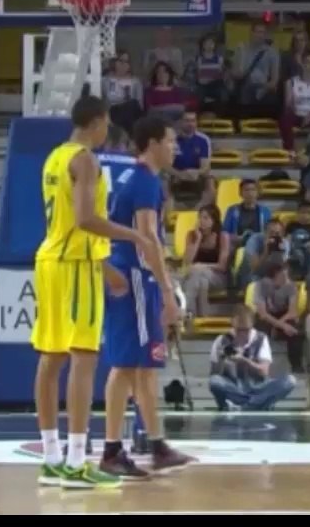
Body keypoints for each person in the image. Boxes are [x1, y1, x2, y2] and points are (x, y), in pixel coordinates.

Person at [32, 95, 154, 490]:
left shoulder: (53, 157)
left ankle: (51, 458)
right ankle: (75, 462)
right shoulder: (85, 159)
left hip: (50, 260)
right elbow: (86, 219)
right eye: (106, 126)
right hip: (75, 265)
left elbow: (67, 221)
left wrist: (105, 267)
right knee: (84, 358)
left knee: (50, 359)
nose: (107, 134)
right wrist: (132, 234)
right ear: (98, 122)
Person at [98, 115, 193, 480]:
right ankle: (111, 450)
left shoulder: (129, 177)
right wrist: (167, 290)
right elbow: (147, 239)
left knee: (143, 366)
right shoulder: (144, 181)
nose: (176, 147)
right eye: (171, 141)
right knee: (126, 366)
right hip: (136, 277)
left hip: (130, 274)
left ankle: (157, 444)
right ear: (152, 143)